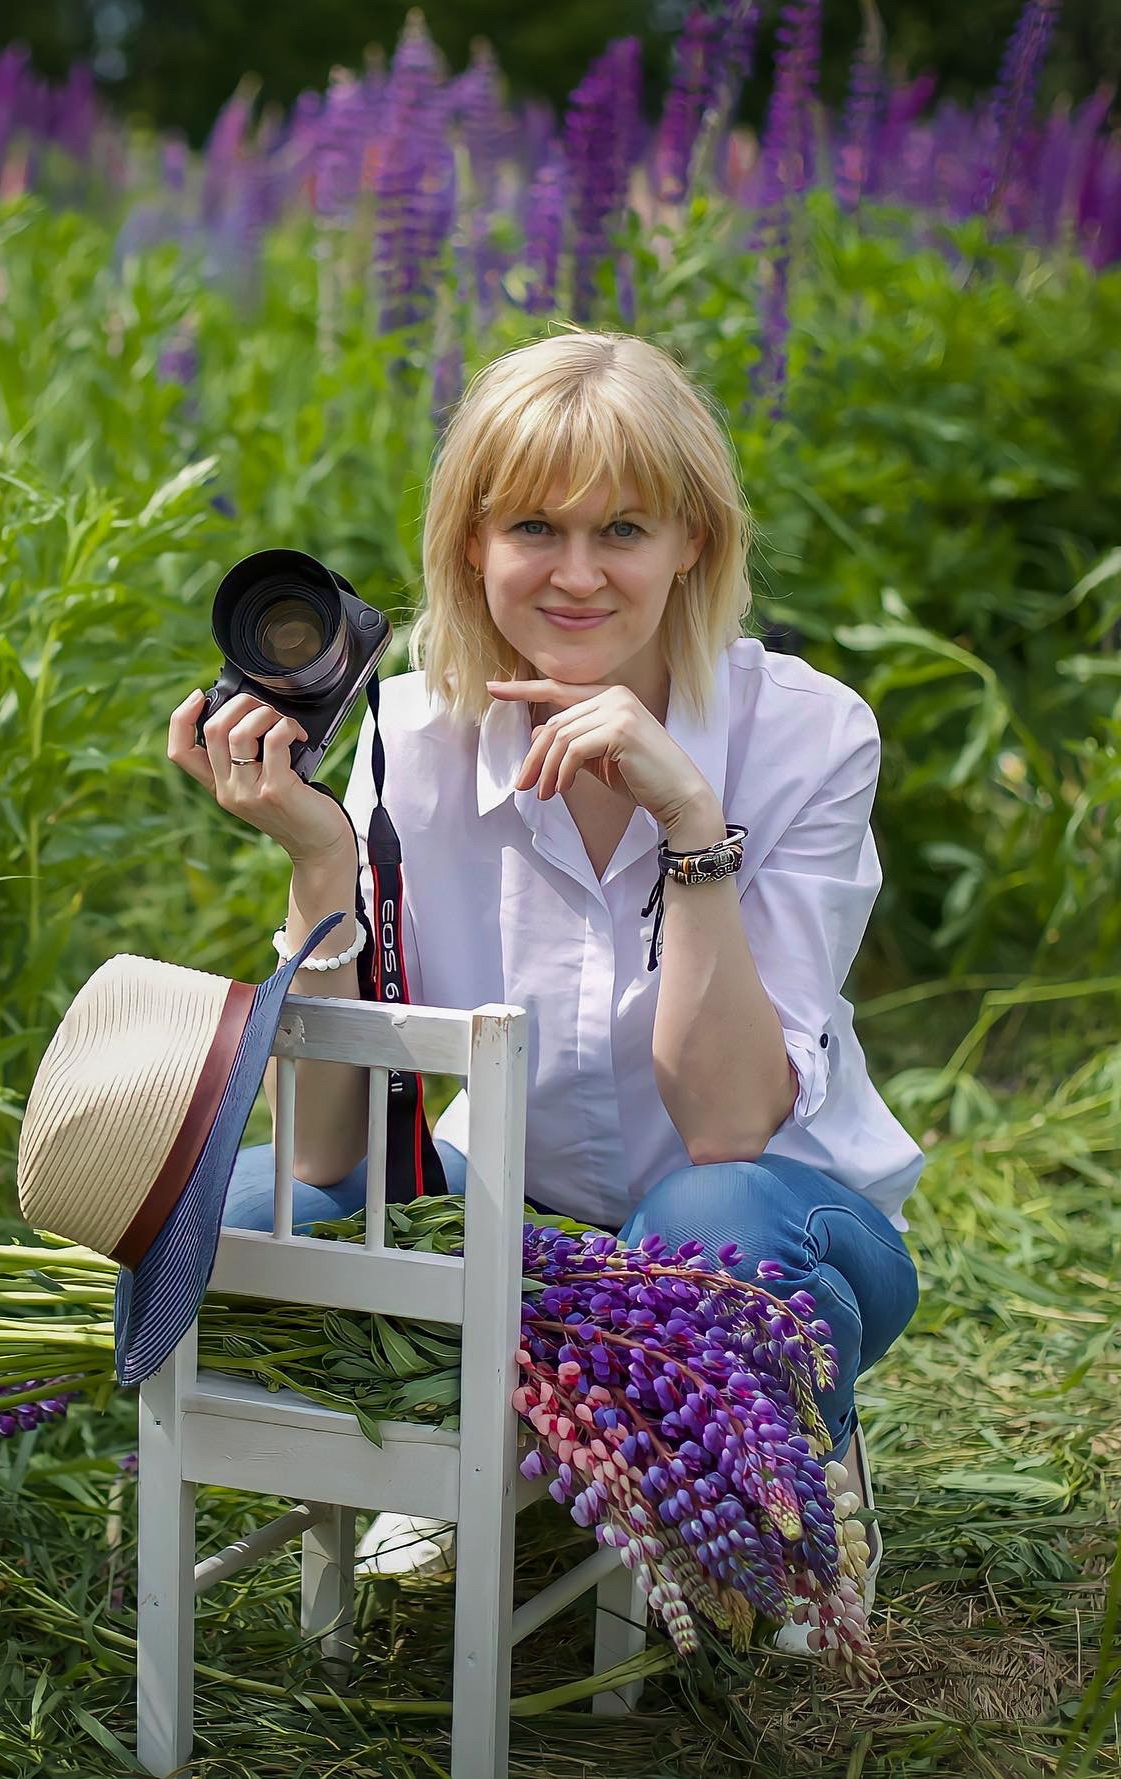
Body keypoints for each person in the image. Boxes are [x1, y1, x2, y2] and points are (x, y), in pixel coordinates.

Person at [165, 327, 924, 1644]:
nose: (577, 575)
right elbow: (334, 1154)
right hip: (513, 1216)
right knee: (228, 1206)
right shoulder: (409, 735)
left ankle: (773, 1479)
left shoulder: (807, 735)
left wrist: (692, 825)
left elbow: (729, 1128)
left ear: (693, 542)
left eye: (623, 529)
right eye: (533, 527)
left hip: (768, 1218)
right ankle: (481, 1439)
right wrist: (319, 858)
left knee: (711, 1222)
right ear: (472, 543)